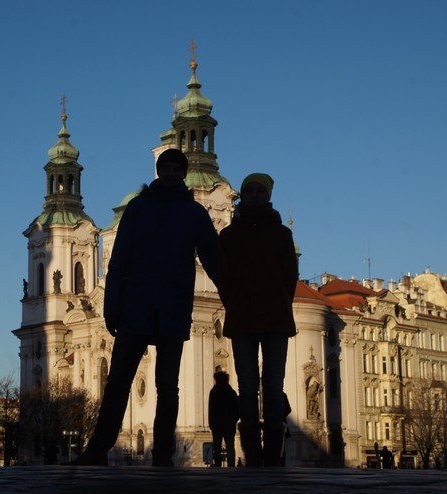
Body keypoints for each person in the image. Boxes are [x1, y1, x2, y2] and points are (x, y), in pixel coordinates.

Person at [73, 148, 219, 466]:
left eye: (174, 168)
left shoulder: (194, 213)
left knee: (168, 385)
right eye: (164, 167)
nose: (169, 173)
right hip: (136, 306)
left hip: (172, 307)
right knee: (118, 381)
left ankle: (163, 454)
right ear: (159, 171)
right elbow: (119, 259)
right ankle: (98, 449)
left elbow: (213, 258)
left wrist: (233, 295)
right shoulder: (138, 208)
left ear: (182, 173)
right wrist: (112, 307)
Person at [216, 172, 298, 467]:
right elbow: (223, 276)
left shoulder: (281, 234)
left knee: (273, 384)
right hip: (243, 316)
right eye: (248, 190)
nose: (253, 195)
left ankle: (273, 453)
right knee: (248, 384)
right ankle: (252, 453)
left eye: (258, 191)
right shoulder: (229, 235)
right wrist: (234, 301)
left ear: (268, 196)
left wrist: (279, 300)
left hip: (274, 316)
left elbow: (291, 277)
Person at [208, 370, 239, 467]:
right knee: (230, 446)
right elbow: (237, 408)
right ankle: (231, 465)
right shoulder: (231, 392)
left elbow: (211, 409)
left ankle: (217, 465)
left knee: (217, 447)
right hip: (229, 424)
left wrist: (211, 424)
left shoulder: (214, 392)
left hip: (217, 425)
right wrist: (234, 419)